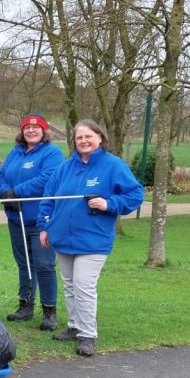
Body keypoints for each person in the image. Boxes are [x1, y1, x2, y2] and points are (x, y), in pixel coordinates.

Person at [38, 119, 144, 357]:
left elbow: (135, 194)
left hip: (93, 240)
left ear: (100, 138)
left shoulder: (113, 165)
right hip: (62, 238)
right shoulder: (65, 167)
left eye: (88, 137)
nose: (84, 141)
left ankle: (88, 334)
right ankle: (74, 327)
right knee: (69, 285)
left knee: (84, 285)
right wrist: (44, 226)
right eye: (79, 138)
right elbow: (48, 197)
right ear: (74, 142)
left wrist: (109, 204)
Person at [0, 113, 64, 331]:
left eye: (36, 128)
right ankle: (25, 305)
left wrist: (17, 193)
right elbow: (1, 175)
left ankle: (49, 311)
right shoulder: (15, 152)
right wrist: (5, 193)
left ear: (44, 131)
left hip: (40, 221)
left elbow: (47, 178)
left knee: (44, 265)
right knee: (24, 263)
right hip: (16, 219)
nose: (31, 131)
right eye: (27, 128)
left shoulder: (51, 152)